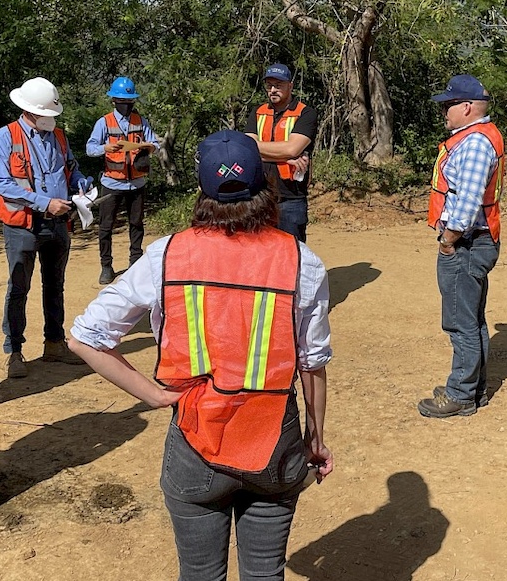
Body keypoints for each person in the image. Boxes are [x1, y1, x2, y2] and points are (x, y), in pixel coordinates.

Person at [69, 129, 334, 581]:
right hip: (274, 439)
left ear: (201, 189)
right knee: (265, 573)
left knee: (199, 575)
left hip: (195, 437)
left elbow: (84, 336)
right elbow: (312, 361)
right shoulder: (301, 260)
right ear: (265, 184)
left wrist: (152, 396)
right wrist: (315, 437)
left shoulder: (167, 254)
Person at [0, 77, 91, 379]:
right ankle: (15, 351)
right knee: (19, 287)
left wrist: (81, 185)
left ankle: (54, 343)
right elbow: (2, 184)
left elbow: (71, 169)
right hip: (23, 226)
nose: (52, 118)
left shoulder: (58, 136)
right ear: (30, 111)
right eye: (47, 113)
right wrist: (44, 203)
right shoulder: (3, 138)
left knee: (55, 284)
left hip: (58, 223)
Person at [416, 74, 504, 419]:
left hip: (465, 243)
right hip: (475, 241)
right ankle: (474, 388)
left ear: (467, 107)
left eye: (448, 105)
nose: (444, 112)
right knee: (473, 320)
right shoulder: (477, 139)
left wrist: (447, 241)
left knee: (460, 323)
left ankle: (461, 394)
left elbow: (466, 204)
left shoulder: (474, 144)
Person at [85, 76, 159, 284]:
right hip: (111, 182)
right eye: (122, 101)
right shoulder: (104, 122)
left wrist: (149, 147)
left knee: (136, 223)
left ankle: (135, 262)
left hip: (137, 182)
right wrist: (104, 148)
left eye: (129, 101)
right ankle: (106, 266)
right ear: (114, 101)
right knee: (106, 226)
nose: (126, 105)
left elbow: (156, 144)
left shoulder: (141, 121)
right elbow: (90, 149)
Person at [244, 63, 318, 242]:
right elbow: (246, 148)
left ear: (290, 86)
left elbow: (292, 148)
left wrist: (284, 152)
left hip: (291, 197)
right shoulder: (258, 112)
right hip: (259, 196)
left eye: (278, 85)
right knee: (262, 252)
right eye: (269, 85)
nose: (273, 90)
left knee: (293, 252)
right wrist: (286, 158)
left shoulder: (305, 113)